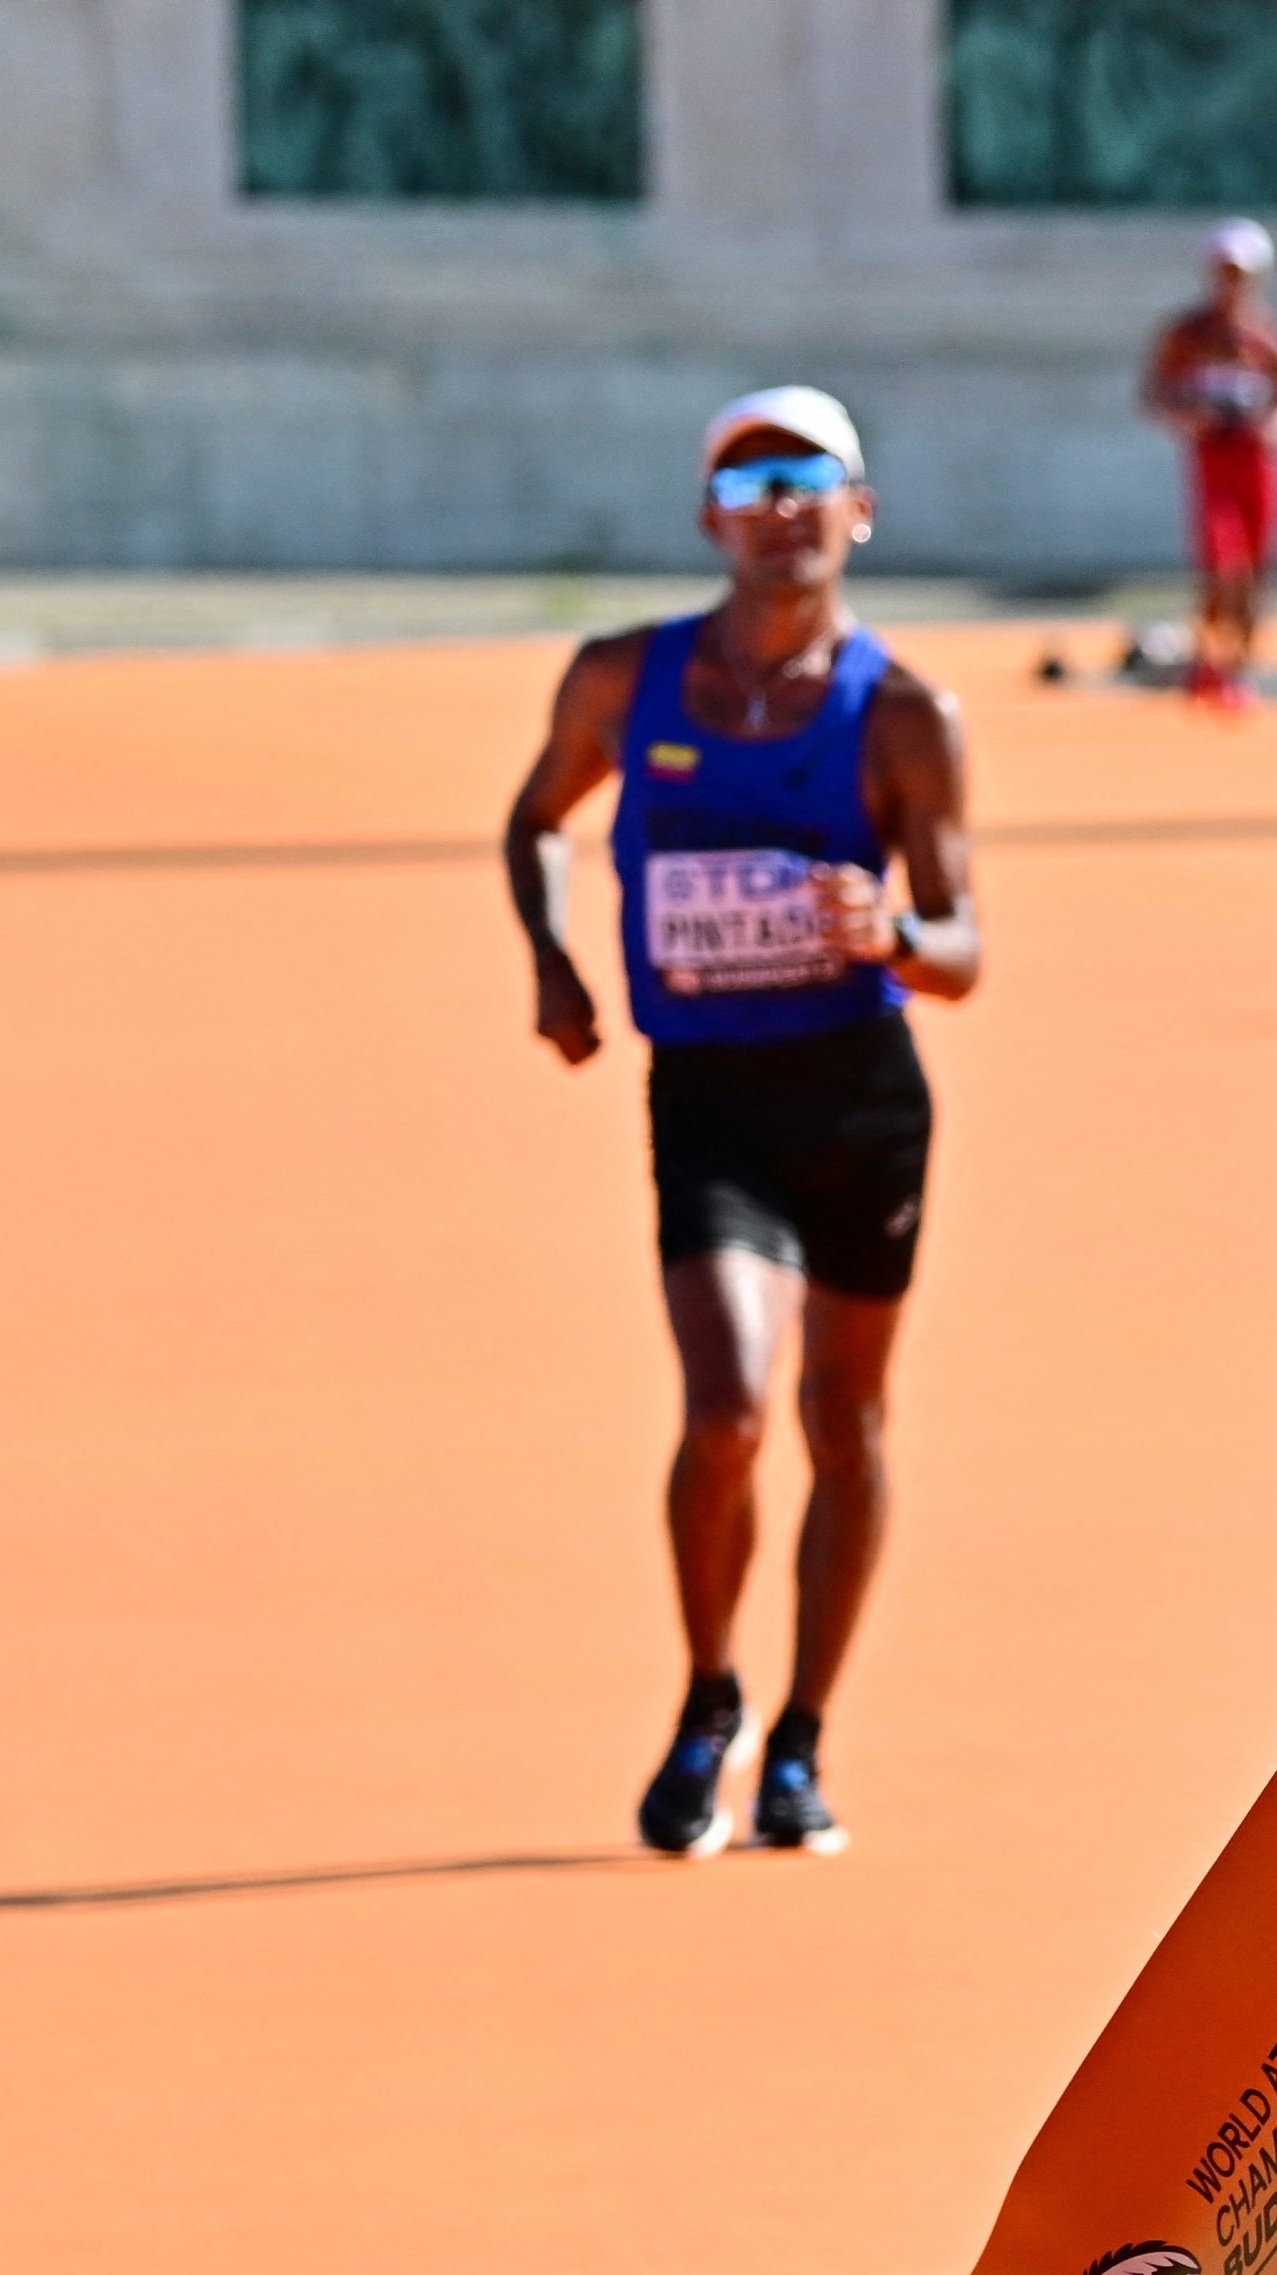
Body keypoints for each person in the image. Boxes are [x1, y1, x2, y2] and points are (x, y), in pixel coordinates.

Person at [501, 388, 982, 1858]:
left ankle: (800, 1742)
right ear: (709, 518)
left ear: (861, 509)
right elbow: (533, 818)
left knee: (846, 1417)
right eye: (748, 480)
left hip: (859, 1098)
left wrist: (889, 930)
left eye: (809, 478)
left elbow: (965, 950)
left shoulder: (902, 716)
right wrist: (555, 958)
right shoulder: (619, 680)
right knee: (725, 1409)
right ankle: (710, 1694)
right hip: (707, 1095)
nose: (781, 505)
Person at [1142, 218, 1277, 707]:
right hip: (1213, 459)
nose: (1230, 283)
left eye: (1239, 273)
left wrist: (1274, 426)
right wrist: (1188, 417)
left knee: (1257, 571)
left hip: (1258, 460)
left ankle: (1238, 667)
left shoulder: (1274, 338)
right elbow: (1156, 393)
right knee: (1223, 566)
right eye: (1223, 271)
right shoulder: (1187, 334)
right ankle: (1210, 657)